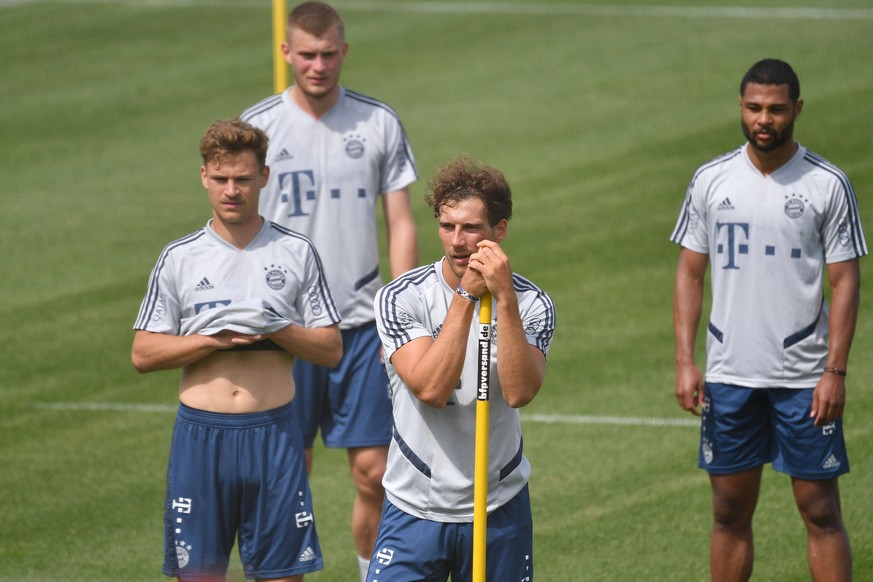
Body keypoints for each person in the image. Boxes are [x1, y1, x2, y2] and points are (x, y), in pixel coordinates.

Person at [240, 3, 418, 578]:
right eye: (307, 55)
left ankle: (373, 572)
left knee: (374, 470)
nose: (318, 65)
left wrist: (405, 308)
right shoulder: (259, 127)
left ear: (344, 51)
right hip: (287, 331)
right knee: (287, 471)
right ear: (286, 53)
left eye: (328, 54)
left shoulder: (377, 123)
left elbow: (401, 222)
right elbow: (238, 223)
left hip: (361, 326)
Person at [671, 58, 866, 581]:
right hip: (730, 372)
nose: (765, 119)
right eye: (755, 107)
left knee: (821, 510)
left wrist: (835, 371)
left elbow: (846, 282)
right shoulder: (711, 180)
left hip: (804, 378)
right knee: (729, 512)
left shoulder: (827, 184)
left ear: (796, 109)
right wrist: (686, 362)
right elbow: (689, 274)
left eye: (777, 109)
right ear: (741, 106)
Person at [131, 118, 343, 581]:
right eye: (222, 179)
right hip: (201, 439)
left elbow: (330, 349)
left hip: (274, 435)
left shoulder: (296, 251)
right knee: (200, 575)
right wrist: (210, 339)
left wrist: (279, 326)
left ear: (263, 177)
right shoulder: (180, 257)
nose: (232, 190)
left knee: (283, 574)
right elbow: (143, 354)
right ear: (204, 176)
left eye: (243, 179)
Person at [369, 157, 556, 581]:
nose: (457, 241)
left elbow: (520, 390)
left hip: (498, 507)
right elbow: (431, 388)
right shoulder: (401, 298)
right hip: (414, 508)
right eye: (447, 226)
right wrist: (467, 299)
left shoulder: (532, 304)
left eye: (471, 228)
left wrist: (503, 300)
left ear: (500, 230)